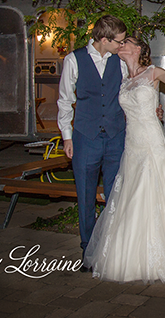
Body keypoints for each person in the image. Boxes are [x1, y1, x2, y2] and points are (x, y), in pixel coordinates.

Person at [83, 36, 165, 283]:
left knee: (157, 192)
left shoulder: (153, 72)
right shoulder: (123, 79)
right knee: (131, 195)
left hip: (152, 143)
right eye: (119, 43)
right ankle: (130, 257)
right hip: (131, 145)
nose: (121, 45)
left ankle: (164, 255)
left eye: (127, 42)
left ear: (139, 49)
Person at [56, 15, 128, 266]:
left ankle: (111, 247)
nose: (122, 45)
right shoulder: (74, 60)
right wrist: (67, 137)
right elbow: (65, 101)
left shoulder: (119, 61)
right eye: (119, 41)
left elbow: (127, 92)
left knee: (115, 194)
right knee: (85, 196)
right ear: (104, 39)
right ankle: (88, 250)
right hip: (85, 137)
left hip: (116, 137)